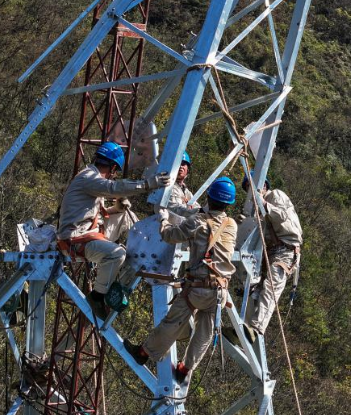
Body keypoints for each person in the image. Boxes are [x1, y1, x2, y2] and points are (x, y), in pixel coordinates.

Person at [128, 176, 238, 383]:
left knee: (173, 322)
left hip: (198, 287)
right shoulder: (231, 225)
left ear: (209, 197)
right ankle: (185, 369)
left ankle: (144, 353)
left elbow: (171, 236)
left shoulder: (198, 221)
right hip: (221, 290)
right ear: (228, 204)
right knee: (204, 332)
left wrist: (163, 219)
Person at [57, 141, 169, 318]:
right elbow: (112, 188)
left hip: (88, 231)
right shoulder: (89, 178)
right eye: (114, 171)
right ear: (112, 167)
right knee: (117, 254)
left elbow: (97, 214)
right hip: (75, 239)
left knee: (126, 215)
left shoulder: (91, 178)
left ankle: (146, 250)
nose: (113, 175)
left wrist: (117, 208)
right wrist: (147, 184)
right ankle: (97, 296)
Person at [242, 172, 302, 343]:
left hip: (286, 250)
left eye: (250, 187)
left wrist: (265, 205)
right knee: (255, 288)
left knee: (271, 286)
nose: (249, 191)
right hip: (271, 251)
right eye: (247, 188)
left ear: (263, 185)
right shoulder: (255, 209)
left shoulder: (275, 195)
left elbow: (283, 216)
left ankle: (256, 327)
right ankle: (245, 327)